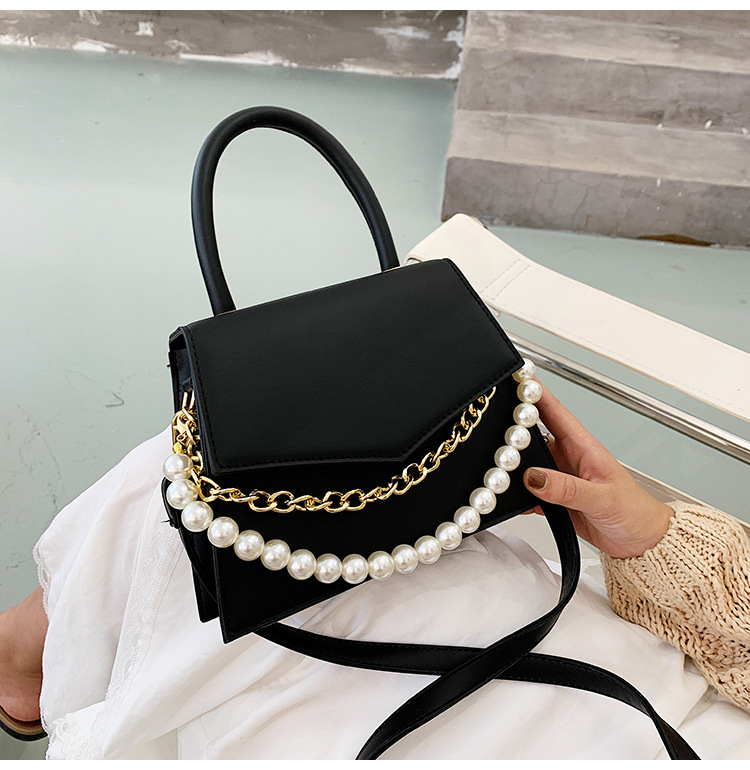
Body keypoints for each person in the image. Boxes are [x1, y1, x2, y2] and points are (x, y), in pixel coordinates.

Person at [1, 384, 748, 757]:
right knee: (201, 477)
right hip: (616, 654)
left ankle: (24, 662)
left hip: (581, 725)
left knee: (210, 537)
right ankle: (24, 658)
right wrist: (652, 535)